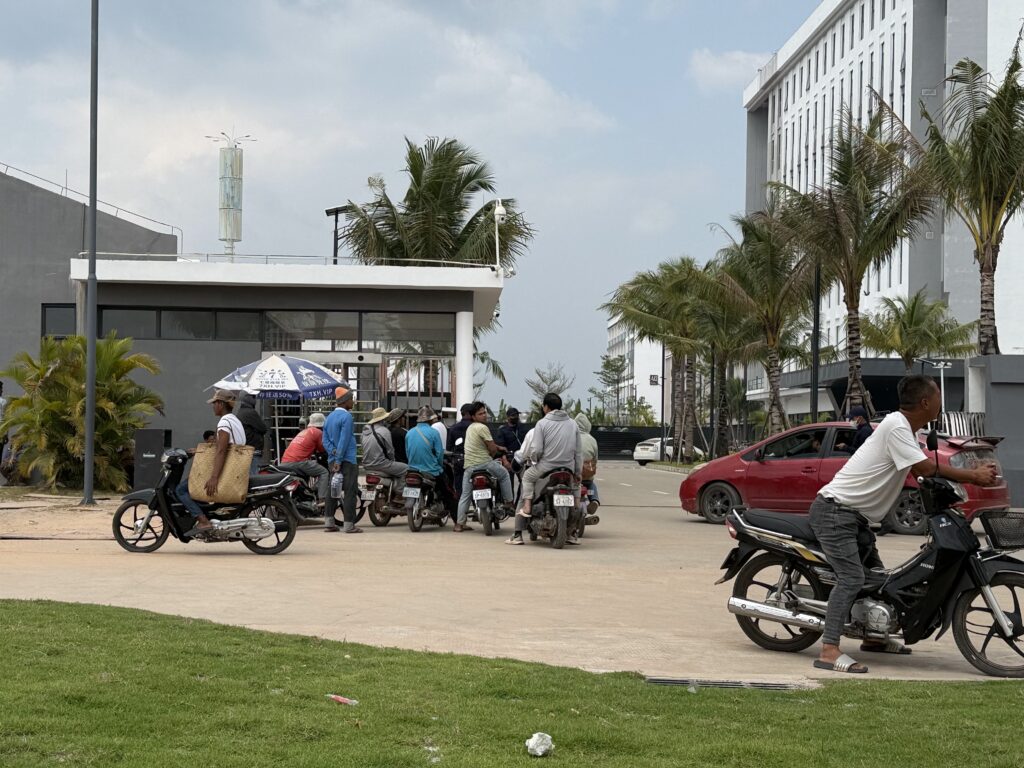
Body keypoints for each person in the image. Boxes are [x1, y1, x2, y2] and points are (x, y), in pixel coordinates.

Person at [808, 376, 998, 674]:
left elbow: (917, 471)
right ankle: (829, 650)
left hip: (854, 517)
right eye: (938, 396)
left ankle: (874, 637)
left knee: (878, 581)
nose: (941, 401)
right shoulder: (896, 426)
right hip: (836, 513)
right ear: (925, 402)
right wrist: (973, 476)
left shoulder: (907, 430)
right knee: (852, 579)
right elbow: (924, 467)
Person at [506, 393, 582, 545]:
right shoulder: (573, 424)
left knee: (527, 477)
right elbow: (578, 452)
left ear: (546, 407)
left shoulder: (541, 424)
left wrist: (536, 459)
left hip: (545, 467)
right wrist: (577, 472)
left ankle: (526, 509)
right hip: (567, 469)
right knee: (576, 485)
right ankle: (574, 515)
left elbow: (536, 450)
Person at [176, 389, 246, 533]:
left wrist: (214, 477)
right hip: (236, 468)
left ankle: (203, 520)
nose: (213, 406)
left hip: (226, 470)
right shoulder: (235, 420)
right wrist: (199, 450)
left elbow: (221, 451)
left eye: (214, 403)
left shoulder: (224, 422)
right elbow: (224, 446)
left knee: (181, 490)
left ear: (221, 404)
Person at [454, 401, 514, 532]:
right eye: (480, 414)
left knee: (465, 495)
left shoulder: (471, 428)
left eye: (484, 412)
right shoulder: (483, 428)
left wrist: (498, 447)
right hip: (485, 464)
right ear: (473, 416)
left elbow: (481, 443)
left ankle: (459, 524)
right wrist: (495, 452)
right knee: (504, 474)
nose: (484, 415)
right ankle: (509, 503)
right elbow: (491, 448)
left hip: (469, 467)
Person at [278, 412, 330, 525]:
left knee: (308, 473)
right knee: (324, 472)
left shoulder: (304, 432)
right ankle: (322, 499)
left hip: (285, 462)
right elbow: (323, 449)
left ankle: (308, 495)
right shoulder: (318, 432)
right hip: (298, 462)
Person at [323, 386, 361, 534]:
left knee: (333, 490)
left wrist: (333, 452)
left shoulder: (329, 417)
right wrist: (339, 459)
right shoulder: (347, 417)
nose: (353, 402)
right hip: (347, 460)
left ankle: (329, 523)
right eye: (351, 399)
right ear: (345, 401)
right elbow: (344, 440)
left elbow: (325, 440)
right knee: (350, 491)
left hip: (332, 460)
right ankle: (349, 525)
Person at [361, 407, 408, 494]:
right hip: (380, 464)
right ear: (382, 419)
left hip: (366, 466)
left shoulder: (365, 432)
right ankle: (399, 492)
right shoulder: (384, 431)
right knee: (406, 469)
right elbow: (390, 451)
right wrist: (392, 461)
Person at [406, 405, 445, 480]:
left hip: (412, 470)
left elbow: (408, 453)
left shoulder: (409, 433)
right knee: (444, 484)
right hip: (431, 471)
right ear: (430, 420)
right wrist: (439, 466)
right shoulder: (434, 432)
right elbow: (439, 453)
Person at [575, 413, 600, 515]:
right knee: (590, 483)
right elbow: (595, 459)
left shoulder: (571, 436)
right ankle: (594, 499)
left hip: (573, 473)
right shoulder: (592, 440)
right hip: (586, 473)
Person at [236, 392, 268, 473]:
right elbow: (263, 428)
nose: (255, 399)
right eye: (253, 397)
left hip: (246, 449)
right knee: (254, 476)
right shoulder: (250, 412)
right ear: (247, 398)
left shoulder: (240, 411)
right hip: (253, 450)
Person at [447, 403, 474, 496]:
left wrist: (452, 459)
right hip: (475, 461)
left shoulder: (453, 428)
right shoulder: (477, 427)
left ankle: (460, 500)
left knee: (459, 488)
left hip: (459, 460)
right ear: (469, 413)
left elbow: (449, 448)